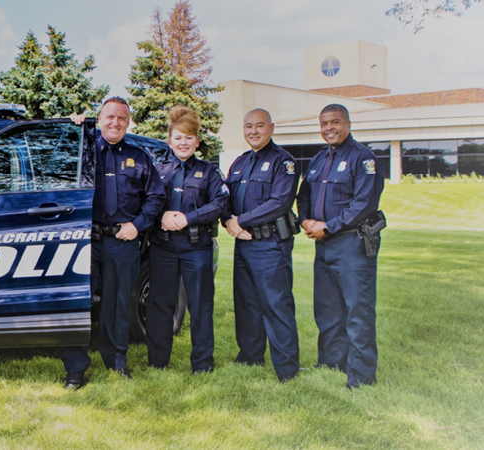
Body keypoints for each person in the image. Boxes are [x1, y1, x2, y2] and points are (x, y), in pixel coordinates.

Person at [62, 97, 166, 389]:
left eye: (121, 118)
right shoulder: (84, 149)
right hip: (85, 240)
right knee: (79, 303)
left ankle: (117, 361)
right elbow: (57, 163)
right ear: (100, 117)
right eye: (110, 117)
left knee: (118, 304)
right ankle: (75, 369)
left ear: (128, 122)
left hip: (122, 241)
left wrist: (137, 225)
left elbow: (156, 196)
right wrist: (75, 128)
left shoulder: (139, 156)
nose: (115, 123)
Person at [296, 104, 385, 389]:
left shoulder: (364, 159)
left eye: (335, 122)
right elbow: (304, 193)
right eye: (324, 123)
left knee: (357, 312)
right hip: (323, 247)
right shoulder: (319, 159)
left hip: (352, 246)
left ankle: (361, 376)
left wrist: (328, 226)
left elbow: (363, 204)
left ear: (348, 123)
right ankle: (332, 363)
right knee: (327, 310)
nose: (329, 128)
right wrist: (306, 220)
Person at [146, 105, 228, 373]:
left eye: (188, 137)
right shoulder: (158, 172)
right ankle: (158, 361)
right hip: (163, 248)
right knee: (160, 304)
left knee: (200, 305)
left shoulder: (210, 173)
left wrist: (188, 218)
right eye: (178, 137)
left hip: (196, 247)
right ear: (169, 141)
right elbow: (146, 202)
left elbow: (219, 204)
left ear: (197, 141)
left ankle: (202, 364)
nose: (183, 142)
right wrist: (163, 215)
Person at [222, 108, 300, 382]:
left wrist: (240, 221)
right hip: (243, 244)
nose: (253, 131)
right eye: (248, 127)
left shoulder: (284, 162)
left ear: (271, 128)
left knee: (276, 304)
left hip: (270, 245)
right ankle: (250, 356)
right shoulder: (240, 163)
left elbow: (279, 203)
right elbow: (225, 199)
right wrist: (228, 222)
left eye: (259, 126)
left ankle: (287, 368)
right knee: (247, 304)